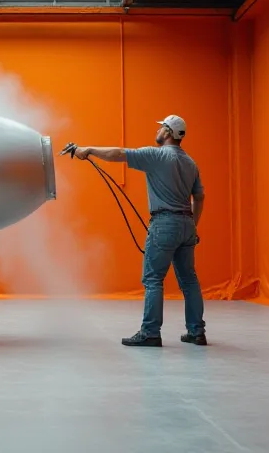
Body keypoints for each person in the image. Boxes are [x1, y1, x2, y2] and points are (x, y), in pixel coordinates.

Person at [73, 114, 206, 347]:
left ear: (167, 132)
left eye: (161, 128)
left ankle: (150, 333)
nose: (157, 132)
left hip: (164, 223)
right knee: (189, 280)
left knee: (154, 279)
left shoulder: (155, 155)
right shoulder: (191, 163)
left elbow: (118, 154)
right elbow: (199, 196)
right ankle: (197, 332)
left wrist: (89, 150)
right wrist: (193, 225)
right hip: (186, 224)